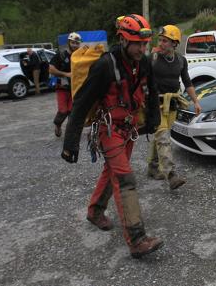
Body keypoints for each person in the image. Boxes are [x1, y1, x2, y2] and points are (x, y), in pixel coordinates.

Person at [61, 14, 162, 259]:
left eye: (144, 44)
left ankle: (95, 211)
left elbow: (151, 91)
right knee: (125, 178)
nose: (141, 48)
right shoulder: (105, 65)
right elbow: (82, 103)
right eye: (136, 43)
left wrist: (152, 119)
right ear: (123, 40)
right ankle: (137, 239)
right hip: (108, 130)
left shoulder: (144, 62)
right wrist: (70, 143)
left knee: (114, 172)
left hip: (129, 129)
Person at [147, 24, 202, 190]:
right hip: (154, 103)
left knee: (161, 136)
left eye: (165, 41)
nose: (161, 43)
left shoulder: (180, 60)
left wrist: (196, 101)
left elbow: (187, 82)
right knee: (163, 137)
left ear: (174, 43)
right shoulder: (153, 58)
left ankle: (153, 167)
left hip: (171, 104)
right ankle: (171, 175)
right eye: (160, 40)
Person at [49, 32, 82, 137]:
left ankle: (70, 132)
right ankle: (58, 125)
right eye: (73, 43)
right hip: (62, 88)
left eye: (77, 43)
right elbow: (51, 69)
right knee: (63, 111)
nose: (75, 45)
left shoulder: (81, 57)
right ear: (69, 42)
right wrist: (66, 74)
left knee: (73, 112)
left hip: (76, 88)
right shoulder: (60, 55)